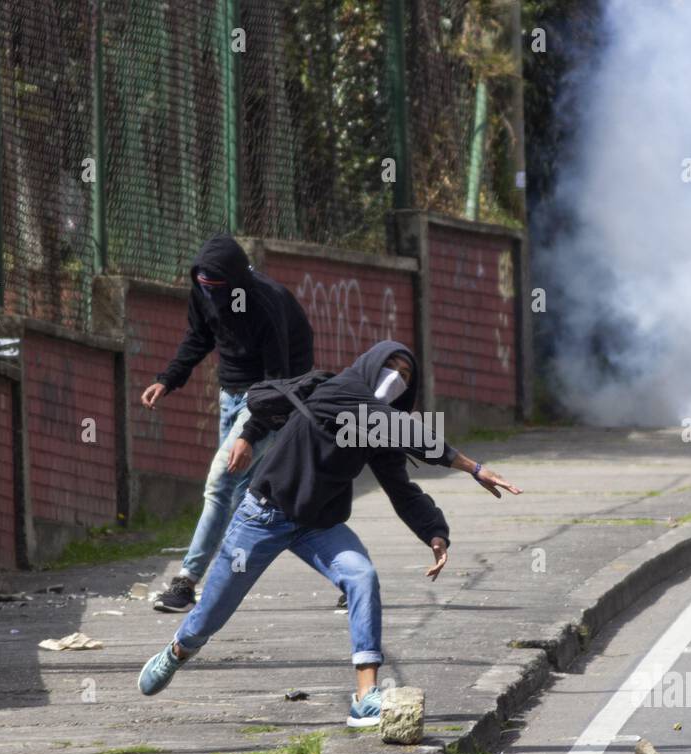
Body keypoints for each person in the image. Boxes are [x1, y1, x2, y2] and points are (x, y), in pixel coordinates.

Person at [138, 340, 522, 727]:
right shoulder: (342, 390)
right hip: (263, 517)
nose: (396, 378)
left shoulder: (378, 426)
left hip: (318, 525)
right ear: (371, 363)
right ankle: (177, 651)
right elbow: (400, 429)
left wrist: (435, 532)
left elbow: (401, 487)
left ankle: (365, 696)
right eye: (391, 366)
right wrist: (473, 468)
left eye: (405, 376)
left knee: (361, 577)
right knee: (211, 613)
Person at [140, 234, 313, 613]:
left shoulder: (265, 304)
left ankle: (186, 582)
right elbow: (199, 337)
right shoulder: (203, 290)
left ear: (236, 283)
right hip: (230, 395)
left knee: (221, 482)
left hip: (272, 397)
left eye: (219, 288)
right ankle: (350, 573)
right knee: (251, 499)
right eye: (204, 287)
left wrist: (251, 434)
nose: (211, 296)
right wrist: (167, 379)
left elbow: (278, 382)